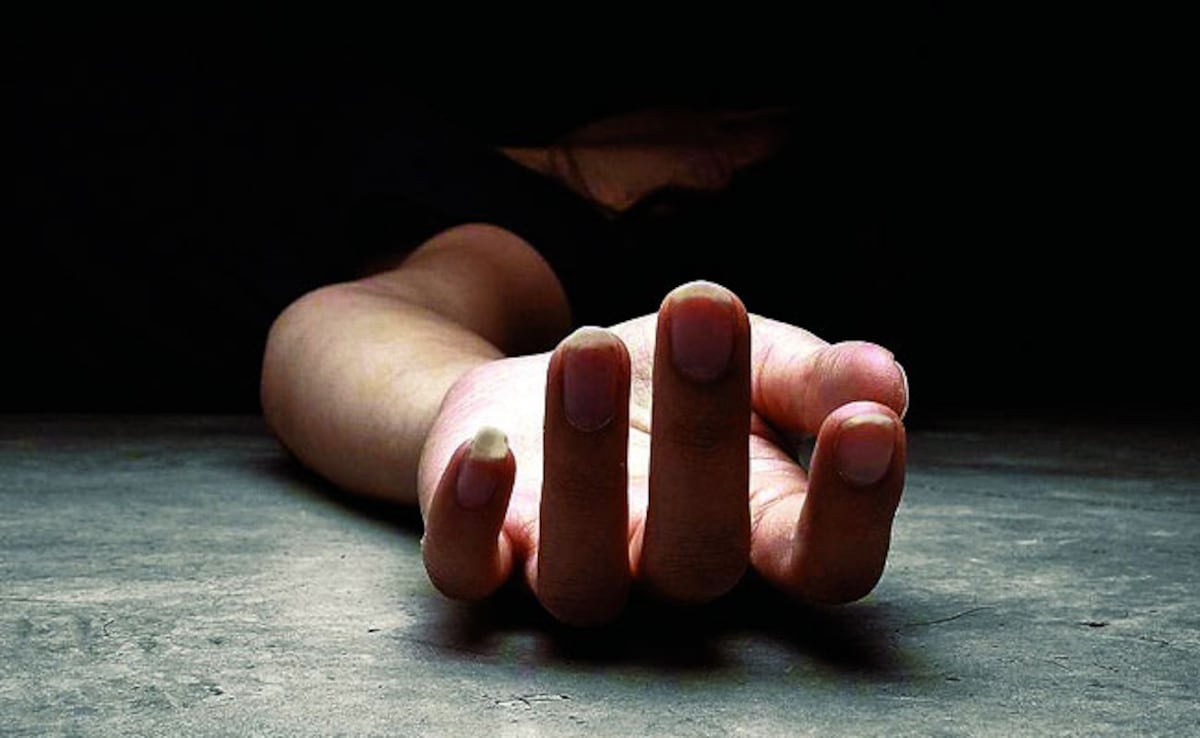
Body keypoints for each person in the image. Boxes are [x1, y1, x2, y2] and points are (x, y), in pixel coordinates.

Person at [259, 105, 910, 627]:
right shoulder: (534, 220)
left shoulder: (839, 230)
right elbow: (349, 320)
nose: (724, 159)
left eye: (759, 137)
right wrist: (469, 400)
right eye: (725, 126)